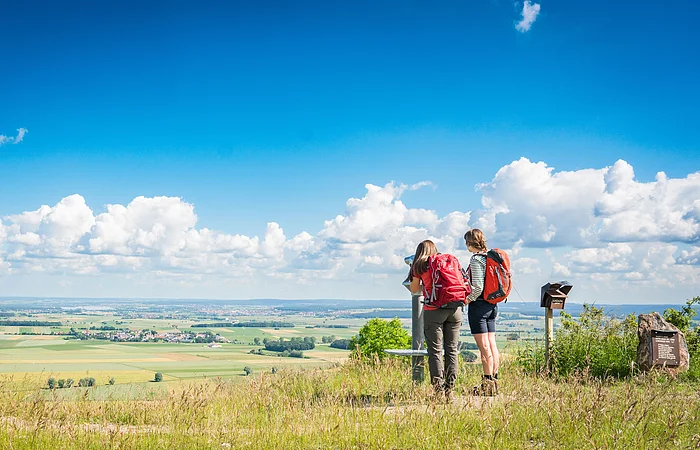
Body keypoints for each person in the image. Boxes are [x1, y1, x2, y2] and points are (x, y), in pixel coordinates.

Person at [408, 240, 463, 401]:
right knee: (452, 350)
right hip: (455, 309)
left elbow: (414, 289)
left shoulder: (420, 265)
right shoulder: (446, 262)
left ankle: (438, 390)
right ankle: (450, 390)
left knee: (435, 351)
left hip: (434, 310)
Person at [464, 228, 500, 396]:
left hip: (479, 306)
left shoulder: (476, 260)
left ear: (470, 243)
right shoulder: (491, 258)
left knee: (483, 347)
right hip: (492, 305)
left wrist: (467, 299)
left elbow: (477, 287)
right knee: (492, 344)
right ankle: (495, 382)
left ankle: (487, 384)